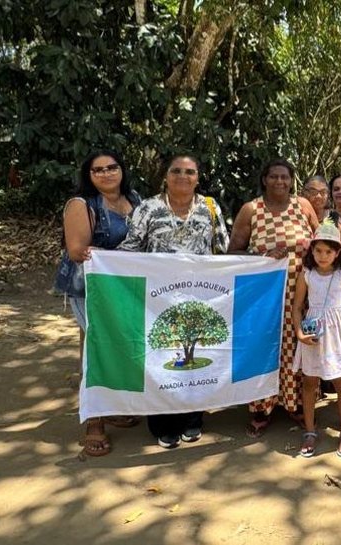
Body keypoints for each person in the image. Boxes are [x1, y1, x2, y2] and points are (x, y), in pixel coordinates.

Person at [119, 153, 230, 448]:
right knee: (161, 358)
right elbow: (130, 249)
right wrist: (101, 259)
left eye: (190, 171)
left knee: (195, 360)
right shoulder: (149, 208)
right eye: (176, 171)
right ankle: (162, 422)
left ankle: (193, 419)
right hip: (157, 299)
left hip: (200, 296)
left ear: (198, 177)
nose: (183, 176)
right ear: (165, 176)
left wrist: (260, 262)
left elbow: (223, 248)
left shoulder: (209, 207)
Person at [55, 150, 142, 456]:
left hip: (125, 289)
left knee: (121, 347)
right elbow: (79, 250)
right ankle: (94, 422)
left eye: (112, 167)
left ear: (122, 169)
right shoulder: (81, 205)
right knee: (97, 350)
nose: (106, 173)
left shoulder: (135, 199)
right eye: (98, 170)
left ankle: (114, 408)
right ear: (88, 175)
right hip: (90, 289)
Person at [228, 158, 319, 437]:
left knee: (296, 347)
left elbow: (322, 243)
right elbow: (232, 252)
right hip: (263, 297)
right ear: (264, 180)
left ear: (292, 181)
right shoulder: (251, 210)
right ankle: (261, 408)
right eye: (274, 176)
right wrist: (261, 257)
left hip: (301, 294)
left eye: (285, 177)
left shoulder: (303, 207)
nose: (280, 181)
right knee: (264, 346)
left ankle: (294, 404)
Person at [293, 224, 341, 457]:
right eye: (318, 251)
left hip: (338, 334)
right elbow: (297, 307)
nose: (322, 256)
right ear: (312, 251)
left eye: (328, 252)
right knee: (309, 382)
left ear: (337, 253)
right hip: (313, 335)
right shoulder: (307, 275)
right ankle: (310, 431)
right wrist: (299, 333)